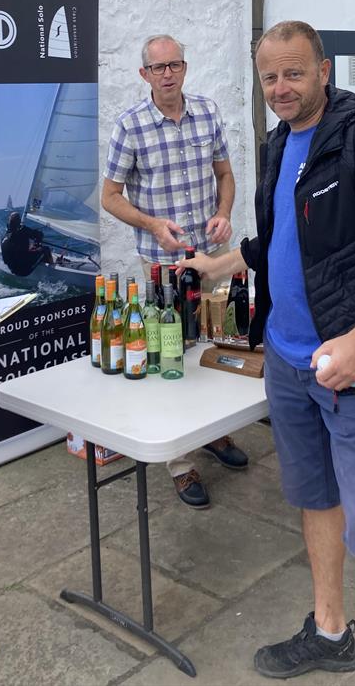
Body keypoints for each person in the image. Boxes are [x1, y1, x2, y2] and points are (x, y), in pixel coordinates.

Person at [180, 21, 355, 686]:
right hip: (288, 362)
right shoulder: (277, 142)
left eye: (294, 73)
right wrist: (219, 263)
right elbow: (276, 238)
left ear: (324, 70)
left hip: (348, 370)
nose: (281, 87)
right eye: (269, 76)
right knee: (315, 499)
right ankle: (330, 631)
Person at [101, 34, 248, 509]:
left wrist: (224, 211)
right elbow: (110, 197)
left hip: (214, 254)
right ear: (144, 74)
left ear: (185, 68)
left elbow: (224, 174)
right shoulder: (130, 126)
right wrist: (151, 224)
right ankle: (180, 463)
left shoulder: (207, 112)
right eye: (158, 67)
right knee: (174, 356)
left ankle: (216, 434)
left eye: (175, 65)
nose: (168, 74)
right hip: (164, 263)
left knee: (221, 345)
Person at [0, 211, 53, 275]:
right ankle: (52, 271)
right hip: (24, 271)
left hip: (11, 268)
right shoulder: (23, 230)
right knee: (46, 249)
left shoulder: (5, 236)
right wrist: (38, 238)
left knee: (31, 249)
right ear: (19, 221)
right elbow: (39, 235)